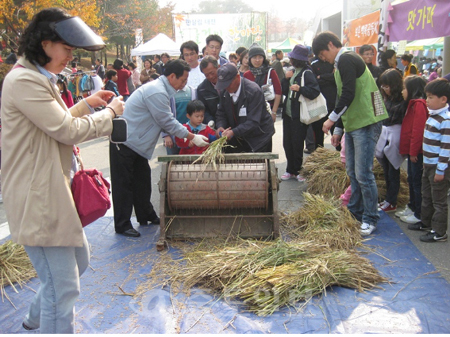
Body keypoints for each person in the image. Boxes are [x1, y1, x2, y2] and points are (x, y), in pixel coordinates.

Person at [1, 8, 125, 333]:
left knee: (78, 262)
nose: (70, 58)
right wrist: (109, 113)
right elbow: (66, 130)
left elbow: (52, 123)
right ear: (45, 44)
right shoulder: (25, 80)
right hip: (38, 198)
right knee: (64, 288)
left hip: (51, 192)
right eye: (67, 49)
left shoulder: (36, 76)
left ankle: (34, 319)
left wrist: (88, 104)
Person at [109, 59, 209, 238]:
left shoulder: (162, 89)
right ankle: (122, 224)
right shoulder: (156, 91)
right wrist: (192, 137)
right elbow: (167, 121)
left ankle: (145, 214)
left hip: (137, 145)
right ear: (172, 76)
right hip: (125, 142)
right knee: (124, 184)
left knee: (142, 180)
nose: (185, 84)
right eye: (183, 80)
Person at [312, 31, 388, 236]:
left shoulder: (346, 58)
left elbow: (348, 94)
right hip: (355, 123)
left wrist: (332, 119)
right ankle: (354, 211)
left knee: (364, 174)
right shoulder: (341, 63)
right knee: (354, 173)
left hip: (366, 121)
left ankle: (370, 217)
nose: (323, 59)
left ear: (330, 44)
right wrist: (338, 129)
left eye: (322, 54)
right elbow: (341, 97)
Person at [413, 78, 450, 242]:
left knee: (439, 200)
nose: (427, 100)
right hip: (428, 164)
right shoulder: (433, 115)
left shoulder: (446, 120)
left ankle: (439, 231)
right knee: (426, 195)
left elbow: (446, 147)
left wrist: (441, 170)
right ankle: (426, 222)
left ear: (443, 99)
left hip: (438, 167)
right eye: (426, 96)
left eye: (431, 97)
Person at [280, 44, 321, 182]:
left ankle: (298, 170)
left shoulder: (306, 72)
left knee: (297, 143)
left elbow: (314, 91)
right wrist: (286, 79)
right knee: (287, 143)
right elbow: (284, 90)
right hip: (288, 114)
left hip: (299, 115)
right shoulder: (293, 71)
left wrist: (300, 89)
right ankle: (289, 169)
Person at [215, 63, 275, 153]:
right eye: (223, 85)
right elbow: (221, 113)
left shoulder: (253, 91)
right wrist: (220, 126)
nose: (226, 87)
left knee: (258, 165)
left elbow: (253, 121)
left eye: (228, 84)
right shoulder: (225, 91)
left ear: (238, 77)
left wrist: (233, 132)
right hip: (239, 137)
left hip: (259, 138)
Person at [397, 75, 428, 225]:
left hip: (418, 152)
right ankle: (412, 206)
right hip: (413, 151)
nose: (402, 91)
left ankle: (419, 212)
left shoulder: (419, 104)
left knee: (417, 182)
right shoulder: (412, 104)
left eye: (404, 88)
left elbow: (418, 130)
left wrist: (414, 151)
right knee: (412, 179)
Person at [375, 69, 407, 213]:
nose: (384, 89)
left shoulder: (403, 101)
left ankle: (391, 201)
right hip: (386, 134)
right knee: (387, 170)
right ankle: (388, 200)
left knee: (393, 171)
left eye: (387, 86)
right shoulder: (386, 99)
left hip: (395, 136)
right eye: (383, 86)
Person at [243, 44, 281, 122]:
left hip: (267, 111)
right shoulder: (246, 75)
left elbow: (278, 92)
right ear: (250, 59)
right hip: (251, 113)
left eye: (260, 57)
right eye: (254, 57)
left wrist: (274, 112)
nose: (257, 60)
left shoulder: (271, 72)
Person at [310, 56, 337, 150]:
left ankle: (341, 157)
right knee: (318, 135)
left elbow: (336, 77)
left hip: (334, 104)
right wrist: (329, 77)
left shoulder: (334, 61)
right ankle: (318, 155)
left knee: (337, 133)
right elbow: (314, 81)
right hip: (318, 104)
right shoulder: (313, 63)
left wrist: (322, 76)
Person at [197, 56, 220, 124]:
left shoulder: (229, 82)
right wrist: (210, 121)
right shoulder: (202, 89)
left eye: (212, 73)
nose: (210, 77)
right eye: (206, 75)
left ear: (218, 67)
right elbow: (203, 110)